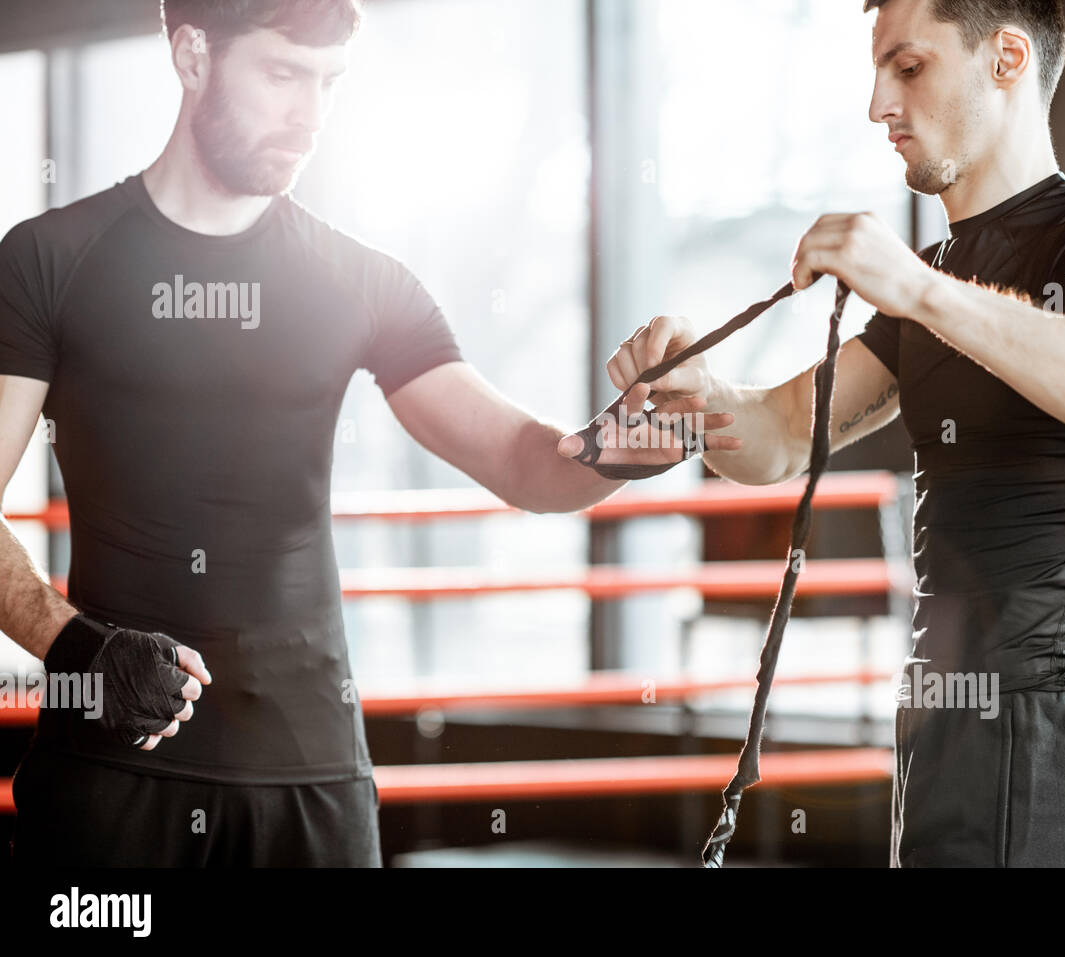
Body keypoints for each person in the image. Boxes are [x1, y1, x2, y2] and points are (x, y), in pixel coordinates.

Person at [0, 0, 732, 867]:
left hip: (310, 779)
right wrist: (76, 644)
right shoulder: (51, 259)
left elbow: (526, 462)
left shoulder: (360, 280)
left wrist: (632, 440)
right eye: (280, 75)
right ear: (191, 55)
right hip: (111, 773)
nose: (308, 116)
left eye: (328, 83)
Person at [600, 0, 1065, 866]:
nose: (879, 103)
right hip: (945, 733)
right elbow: (778, 434)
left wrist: (918, 292)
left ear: (1007, 59)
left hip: (1047, 744)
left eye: (909, 68)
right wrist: (698, 391)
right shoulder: (950, 270)